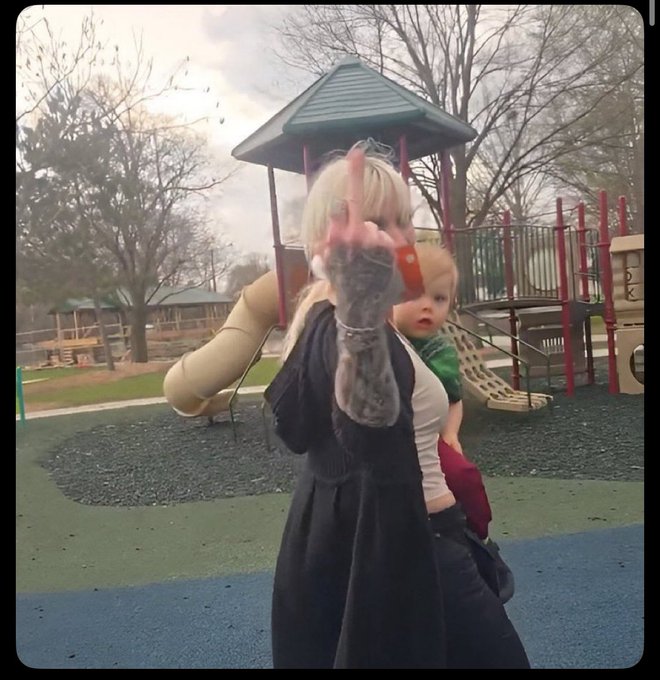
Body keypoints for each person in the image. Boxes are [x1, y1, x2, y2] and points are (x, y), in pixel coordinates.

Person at [264, 142, 529, 669]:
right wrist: (362, 309)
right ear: (327, 240)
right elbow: (370, 431)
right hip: (416, 547)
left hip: (411, 539)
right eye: (375, 222)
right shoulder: (344, 328)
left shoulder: (341, 320)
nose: (396, 237)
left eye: (402, 221)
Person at [392, 242, 515, 603]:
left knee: (462, 475)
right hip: (391, 435)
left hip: (427, 434)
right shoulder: (382, 337)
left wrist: (450, 433)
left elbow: (453, 398)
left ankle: (481, 536)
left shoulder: (438, 349)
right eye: (414, 295)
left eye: (440, 298)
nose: (428, 306)